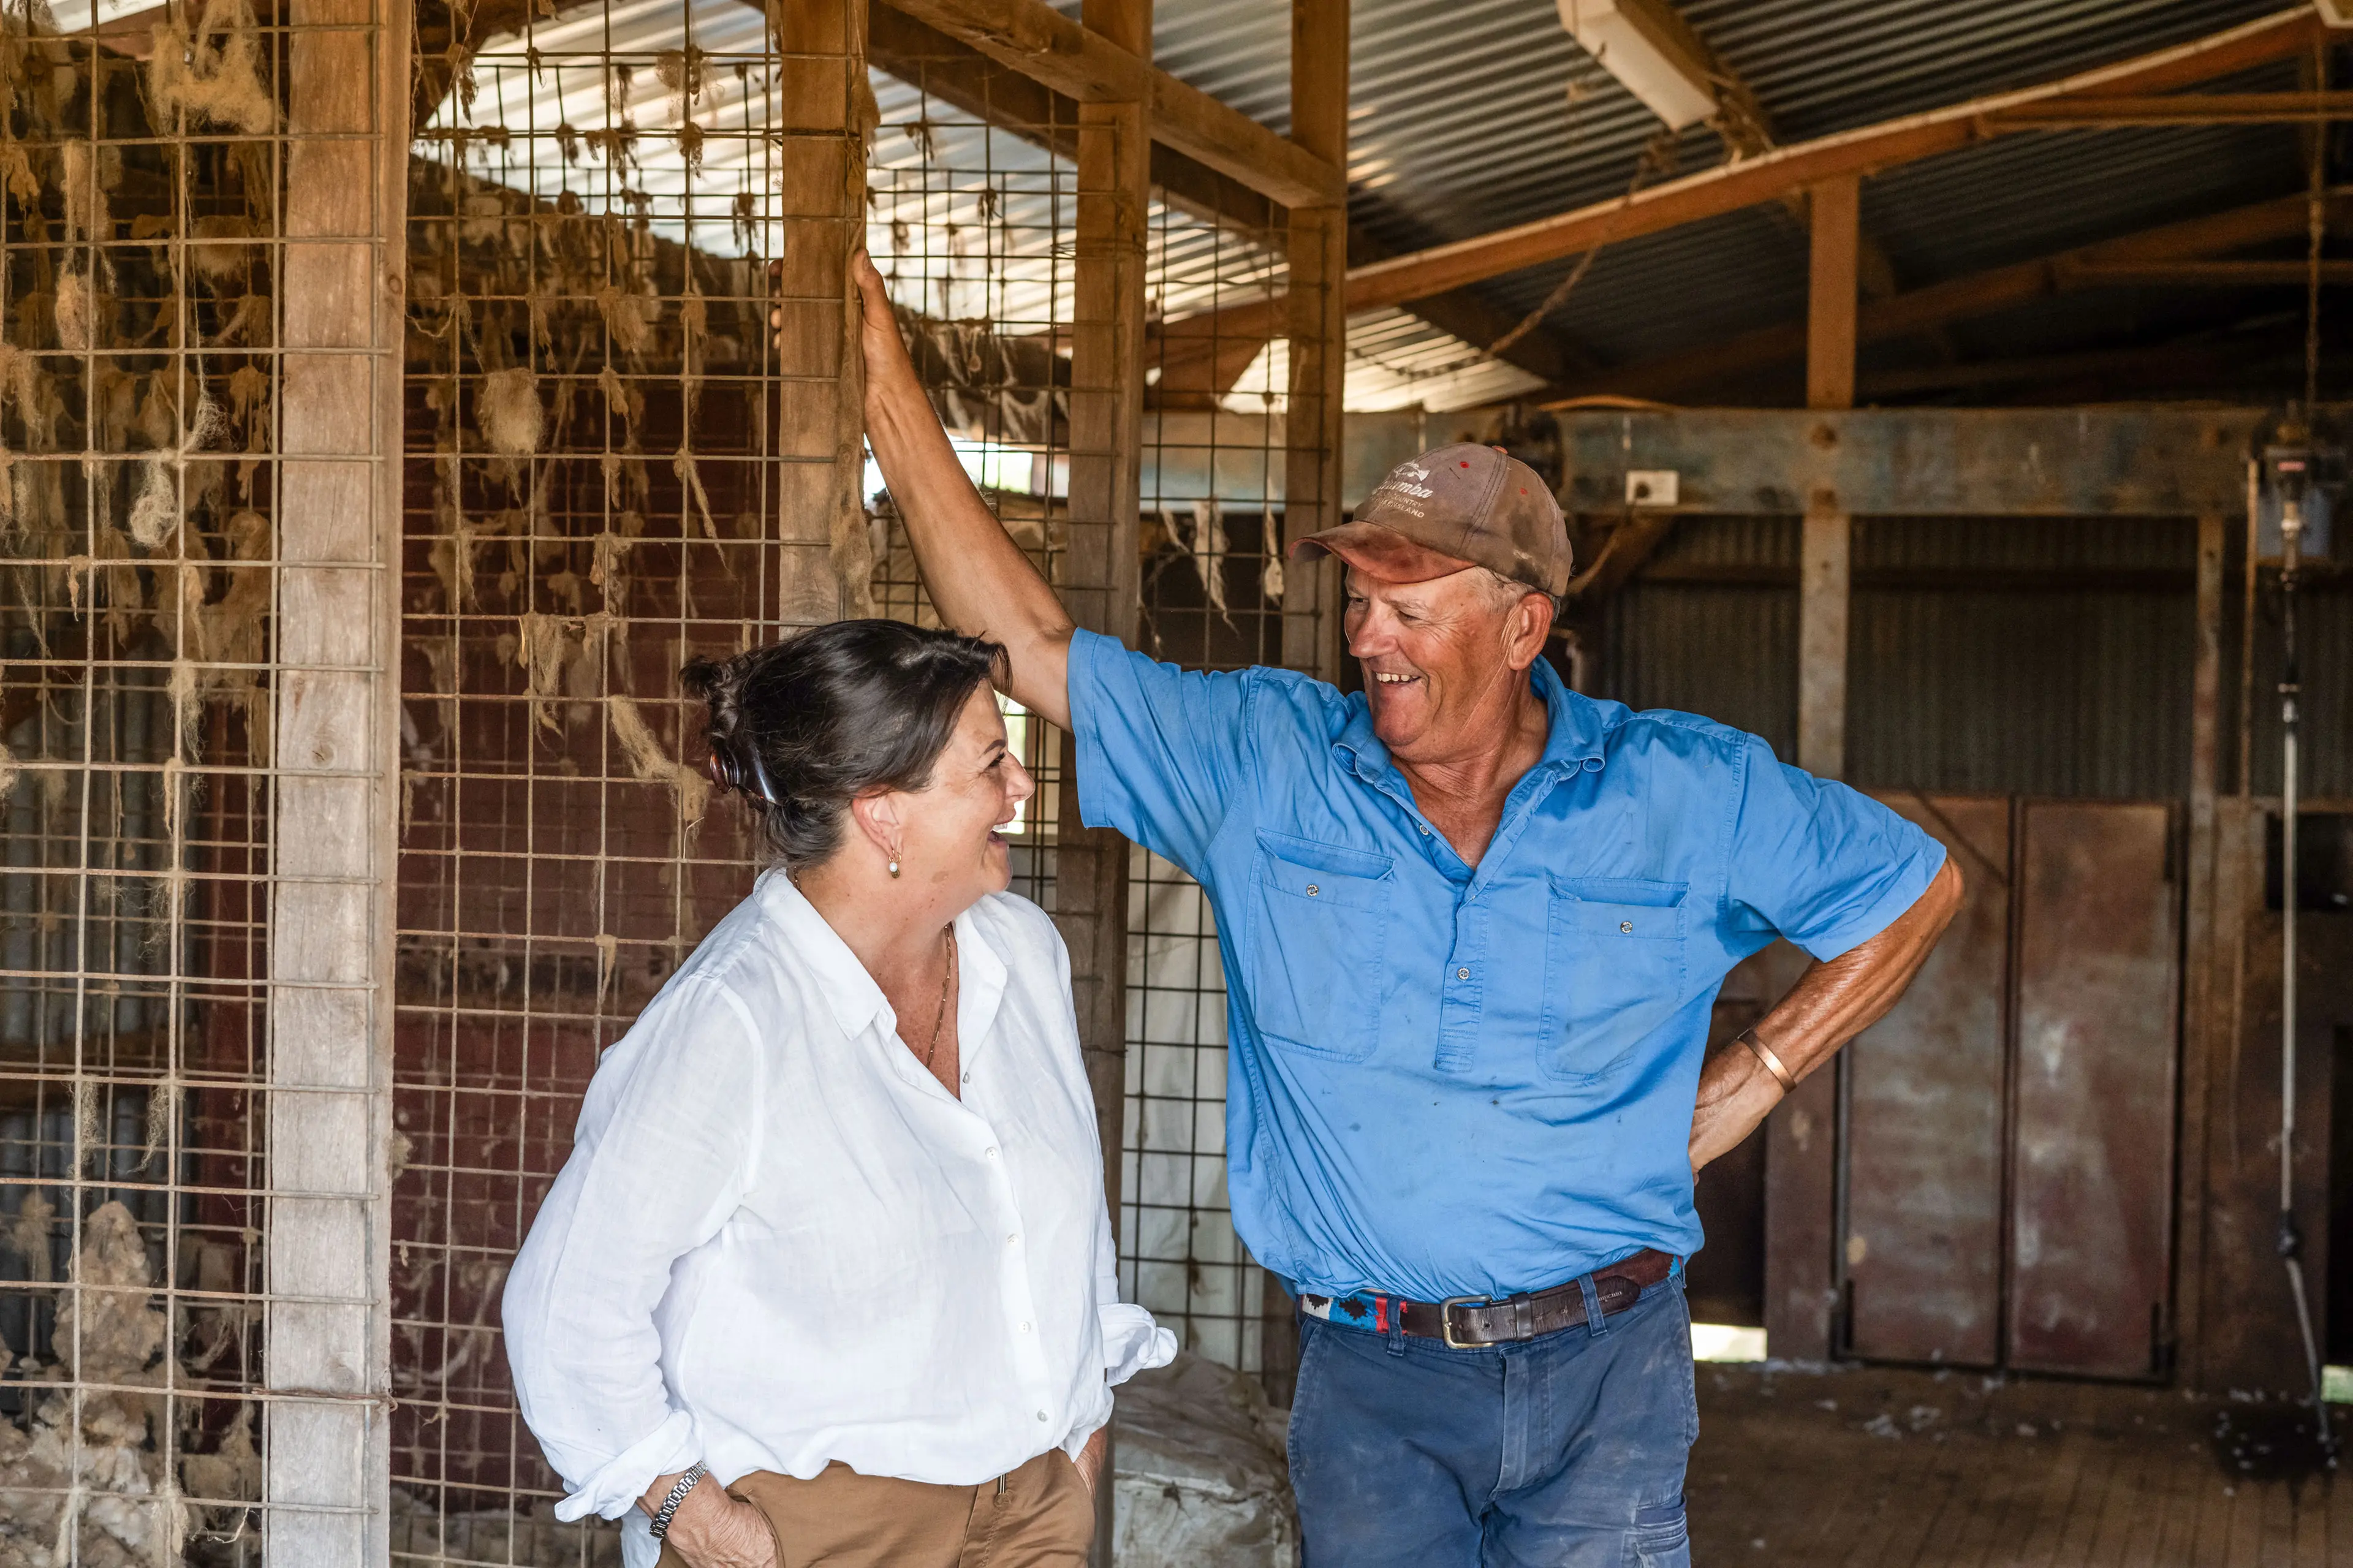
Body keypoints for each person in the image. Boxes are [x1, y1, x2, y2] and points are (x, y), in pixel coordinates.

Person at [846, 252, 1964, 1567]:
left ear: (1521, 628)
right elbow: (1027, 646)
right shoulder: (1267, 762)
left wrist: (1761, 1069)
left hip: (1612, 1370)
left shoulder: (1682, 786)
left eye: (1412, 609)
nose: (1370, 636)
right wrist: (880, 387)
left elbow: (1915, 885)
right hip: (1373, 1382)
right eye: (1363, 600)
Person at [502, 619, 1174, 1568]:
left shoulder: (1022, 952)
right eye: (991, 764)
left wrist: (1080, 1442)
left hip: (1031, 1511)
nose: (1021, 787)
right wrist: (706, 1526)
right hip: (821, 1531)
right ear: (884, 814)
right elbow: (564, 1313)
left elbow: (1067, 1220)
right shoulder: (731, 1021)